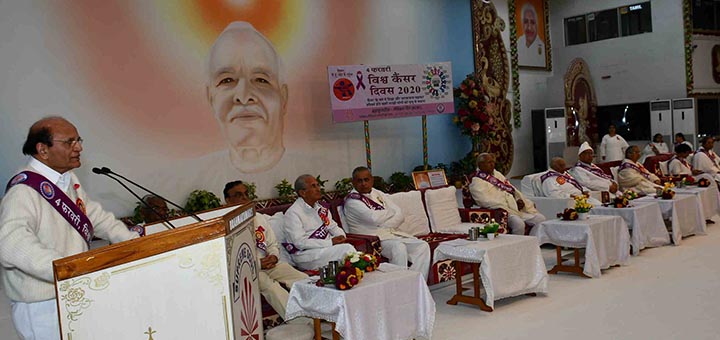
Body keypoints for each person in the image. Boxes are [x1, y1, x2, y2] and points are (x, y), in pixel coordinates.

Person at [0, 117, 140, 340]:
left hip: (70, 290)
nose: (79, 147)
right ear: (43, 150)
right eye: (69, 142)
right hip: (43, 305)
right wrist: (64, 268)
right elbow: (11, 244)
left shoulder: (66, 179)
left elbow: (93, 216)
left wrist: (133, 242)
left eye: (78, 140)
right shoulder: (23, 191)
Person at [206, 21, 288, 174]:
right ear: (210, 98)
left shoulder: (324, 170)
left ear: (283, 97)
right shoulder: (178, 179)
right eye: (227, 80)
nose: (243, 97)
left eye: (261, 80)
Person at [223, 181, 308, 324]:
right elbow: (230, 259)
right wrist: (258, 263)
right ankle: (303, 325)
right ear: (228, 200)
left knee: (300, 277)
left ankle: (320, 314)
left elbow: (272, 243)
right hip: (248, 271)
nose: (244, 198)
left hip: (269, 264)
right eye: (238, 195)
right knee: (272, 288)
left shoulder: (259, 218)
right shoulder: (225, 226)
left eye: (246, 194)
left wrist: (273, 255)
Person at [343, 167, 430, 279]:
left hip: (390, 234)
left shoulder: (377, 193)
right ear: (353, 182)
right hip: (371, 240)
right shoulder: (352, 201)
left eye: (366, 179)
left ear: (372, 180)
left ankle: (415, 282)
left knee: (422, 246)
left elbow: (399, 214)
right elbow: (374, 218)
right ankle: (398, 286)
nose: (363, 183)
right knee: (398, 247)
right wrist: (390, 212)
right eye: (359, 181)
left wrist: (385, 223)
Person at [283, 175, 355, 271]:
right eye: (313, 186)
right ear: (302, 193)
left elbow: (333, 227)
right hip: (305, 255)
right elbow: (300, 243)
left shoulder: (321, 209)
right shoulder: (293, 213)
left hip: (326, 248)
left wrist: (341, 236)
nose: (318, 189)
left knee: (347, 251)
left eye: (318, 185)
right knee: (346, 251)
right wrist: (330, 242)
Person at [469, 153, 545, 235]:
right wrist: (510, 204)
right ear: (481, 165)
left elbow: (511, 188)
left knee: (540, 219)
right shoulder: (477, 181)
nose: (492, 165)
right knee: (519, 224)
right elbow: (484, 201)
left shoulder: (497, 174)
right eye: (489, 162)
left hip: (514, 208)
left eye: (493, 162)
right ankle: (516, 246)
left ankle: (531, 242)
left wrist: (518, 199)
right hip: (502, 211)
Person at [518, 2, 545, 67]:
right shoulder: (518, 43)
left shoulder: (543, 48)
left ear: (537, 25)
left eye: (533, 22)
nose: (529, 27)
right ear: (522, 24)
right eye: (526, 22)